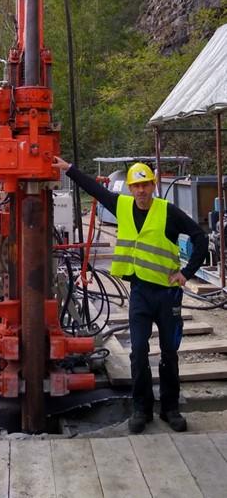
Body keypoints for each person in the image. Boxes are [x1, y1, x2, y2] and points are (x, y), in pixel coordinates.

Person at [52, 157, 209, 434]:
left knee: (169, 353)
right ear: (131, 188)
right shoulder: (122, 206)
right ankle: (142, 409)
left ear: (152, 186)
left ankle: (170, 408)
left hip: (167, 294)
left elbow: (200, 236)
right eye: (136, 186)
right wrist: (69, 169)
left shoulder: (167, 212)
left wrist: (187, 272)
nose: (141, 191)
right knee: (138, 352)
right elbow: (96, 190)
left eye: (145, 185)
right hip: (139, 293)